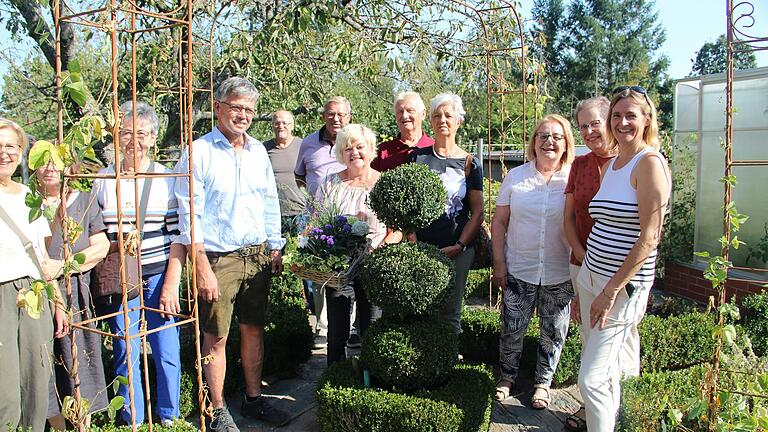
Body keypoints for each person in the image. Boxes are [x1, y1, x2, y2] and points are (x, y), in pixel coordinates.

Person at [175, 77, 289, 431]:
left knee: (253, 329)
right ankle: (217, 410)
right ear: (220, 107)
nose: (242, 115)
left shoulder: (257, 151)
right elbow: (188, 213)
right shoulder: (198, 152)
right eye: (237, 107)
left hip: (255, 256)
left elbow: (270, 200)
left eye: (249, 110)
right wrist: (201, 267)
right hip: (217, 258)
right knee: (216, 335)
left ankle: (254, 400)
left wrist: (275, 245)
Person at [577, 86, 670, 431]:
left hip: (621, 289)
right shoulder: (616, 162)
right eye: (617, 115)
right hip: (591, 278)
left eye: (631, 115)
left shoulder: (649, 164)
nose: (622, 122)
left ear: (646, 119)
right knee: (606, 371)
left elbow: (649, 238)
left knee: (591, 378)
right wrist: (584, 284)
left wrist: (611, 290)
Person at [93, 101, 184, 426]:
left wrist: (172, 283)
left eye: (141, 133)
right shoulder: (104, 179)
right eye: (127, 132)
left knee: (166, 349)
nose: (134, 140)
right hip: (121, 279)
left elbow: (178, 236)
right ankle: (130, 418)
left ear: (153, 138)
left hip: (158, 274)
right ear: (116, 136)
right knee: (124, 350)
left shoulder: (166, 178)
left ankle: (169, 415)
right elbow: (97, 231)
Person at [491, 114, 575, 409]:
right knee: (512, 328)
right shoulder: (516, 177)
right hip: (519, 268)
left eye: (556, 137)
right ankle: (506, 378)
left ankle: (543, 384)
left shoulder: (573, 177)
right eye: (543, 136)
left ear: (566, 144)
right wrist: (499, 263)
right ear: (533, 142)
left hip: (560, 271)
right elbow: (499, 222)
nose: (549, 142)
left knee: (554, 332)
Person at [0, 118, 67, 432]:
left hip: (35, 294)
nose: (4, 153)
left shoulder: (29, 196)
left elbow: (41, 256)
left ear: (21, 151)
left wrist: (58, 303)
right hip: (0, 295)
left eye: (10, 146)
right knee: (6, 391)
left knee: (38, 382)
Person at [38, 160, 110, 430]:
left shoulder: (85, 201)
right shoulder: (30, 205)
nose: (49, 170)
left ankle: (83, 426)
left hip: (77, 296)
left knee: (80, 361)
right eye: (42, 164)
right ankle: (56, 427)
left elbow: (100, 247)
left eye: (55, 164)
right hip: (40, 296)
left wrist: (64, 266)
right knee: (48, 365)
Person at [315, 124, 394, 365]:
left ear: (371, 150)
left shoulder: (384, 185)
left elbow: (397, 231)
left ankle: (370, 381)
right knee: (337, 331)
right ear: (341, 153)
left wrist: (378, 250)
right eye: (347, 148)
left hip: (372, 266)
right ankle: (334, 378)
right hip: (338, 268)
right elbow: (317, 224)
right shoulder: (330, 184)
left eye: (360, 147)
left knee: (371, 326)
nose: (354, 152)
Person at [562, 97, 618, 431]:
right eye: (583, 126)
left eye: (594, 123)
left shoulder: (631, 162)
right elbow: (567, 218)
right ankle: (593, 410)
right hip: (581, 262)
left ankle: (611, 412)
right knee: (589, 338)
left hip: (617, 269)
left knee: (615, 345)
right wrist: (583, 257)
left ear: (609, 120)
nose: (588, 131)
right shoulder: (580, 165)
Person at [409, 92, 484, 335]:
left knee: (451, 313)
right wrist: (413, 241)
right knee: (421, 308)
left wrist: (460, 245)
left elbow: (478, 211)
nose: (443, 120)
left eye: (448, 115)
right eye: (437, 115)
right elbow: (407, 205)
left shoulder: (470, 162)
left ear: (459, 121)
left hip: (457, 250)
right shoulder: (417, 158)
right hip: (423, 247)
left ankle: (448, 364)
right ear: (430, 121)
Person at [294, 96, 350, 348]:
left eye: (341, 114)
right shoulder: (308, 143)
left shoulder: (353, 140)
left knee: (349, 272)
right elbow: (300, 178)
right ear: (323, 116)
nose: (335, 119)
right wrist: (315, 200)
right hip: (317, 217)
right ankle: (323, 326)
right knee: (319, 273)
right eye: (330, 114)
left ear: (348, 117)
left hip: (350, 216)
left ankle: (350, 326)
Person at [371, 91, 434, 172]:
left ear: (423, 114)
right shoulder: (382, 152)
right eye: (400, 111)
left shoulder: (435, 148)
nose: (404, 116)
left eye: (410, 110)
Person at [264, 110, 306, 229]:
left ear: (292, 125)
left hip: (301, 212)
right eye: (277, 123)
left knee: (303, 247)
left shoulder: (303, 146)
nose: (280, 126)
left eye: (284, 123)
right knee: (275, 248)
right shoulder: (264, 149)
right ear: (272, 125)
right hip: (274, 213)